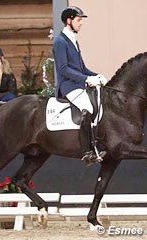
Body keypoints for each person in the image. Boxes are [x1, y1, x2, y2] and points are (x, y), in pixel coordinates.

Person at [53, 6, 108, 165]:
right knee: (88, 108)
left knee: (99, 103)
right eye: (78, 20)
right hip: (68, 86)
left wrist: (96, 76)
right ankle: (87, 151)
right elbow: (63, 69)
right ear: (69, 21)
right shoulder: (60, 42)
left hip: (78, 84)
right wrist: (86, 79)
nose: (81, 23)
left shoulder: (73, 40)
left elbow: (82, 69)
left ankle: (98, 144)